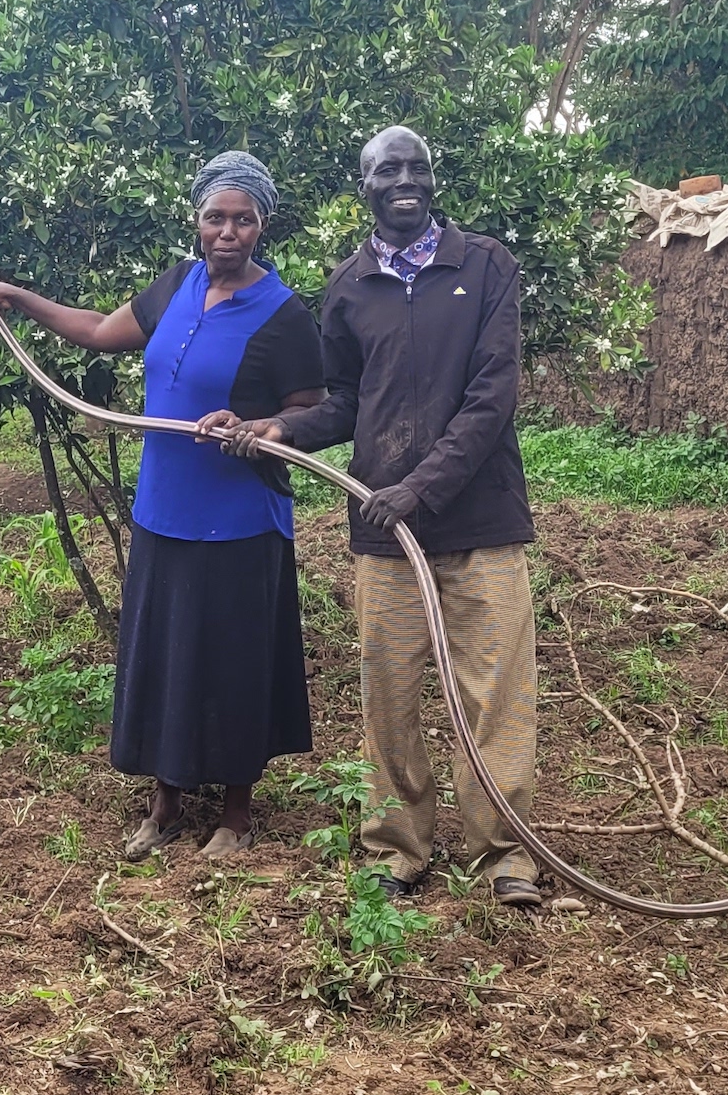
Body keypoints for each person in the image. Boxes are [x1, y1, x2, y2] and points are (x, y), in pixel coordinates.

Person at [203, 125, 543, 908]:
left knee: (497, 694)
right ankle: (397, 848)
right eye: (388, 169)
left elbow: (493, 396)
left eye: (418, 166)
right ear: (364, 185)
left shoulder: (484, 265)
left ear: (432, 179)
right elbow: (347, 401)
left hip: (480, 520)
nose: (406, 179)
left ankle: (505, 856)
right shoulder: (349, 284)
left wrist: (420, 487)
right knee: (387, 695)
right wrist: (277, 430)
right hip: (384, 532)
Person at [0, 151, 325, 862]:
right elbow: (101, 330)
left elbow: (310, 410)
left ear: (262, 226)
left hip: (240, 522)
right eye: (215, 217)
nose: (227, 231)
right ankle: (164, 805)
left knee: (231, 662)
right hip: (164, 513)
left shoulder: (285, 316)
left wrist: (259, 430)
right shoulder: (175, 288)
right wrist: (21, 300)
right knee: (166, 659)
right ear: (196, 221)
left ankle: (235, 812)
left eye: (243, 219)